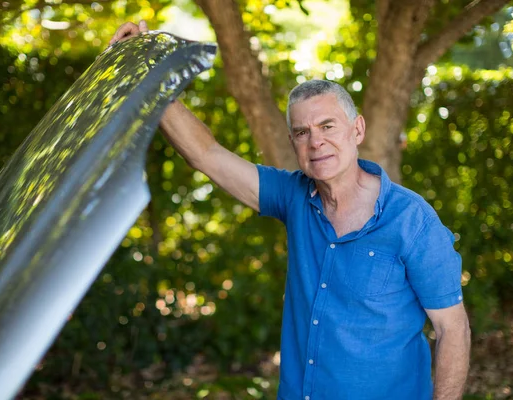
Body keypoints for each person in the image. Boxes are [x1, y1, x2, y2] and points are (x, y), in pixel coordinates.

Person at [110, 21, 471, 400]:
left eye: (328, 126)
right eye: (302, 132)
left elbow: (453, 330)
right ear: (293, 141)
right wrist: (149, 72)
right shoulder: (293, 196)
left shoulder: (412, 221)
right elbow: (205, 154)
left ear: (357, 129)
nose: (317, 142)